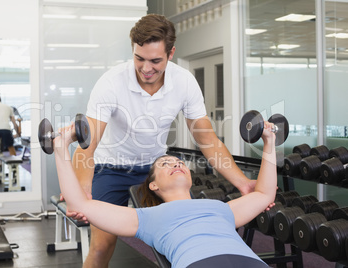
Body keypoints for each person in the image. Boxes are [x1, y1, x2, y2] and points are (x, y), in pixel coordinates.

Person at [69, 14, 259, 267]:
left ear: (171, 54)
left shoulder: (184, 82)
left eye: (155, 61)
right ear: (133, 51)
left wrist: (244, 183)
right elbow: (87, 143)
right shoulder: (111, 83)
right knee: (103, 245)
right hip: (109, 168)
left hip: (153, 171)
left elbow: (208, 140)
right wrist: (82, 190)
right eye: (140, 58)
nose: (146, 68)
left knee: (181, 237)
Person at [54, 121, 276, 268]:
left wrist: (270, 141)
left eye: (179, 162)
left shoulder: (222, 208)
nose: (176, 163)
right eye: (165, 163)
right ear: (153, 186)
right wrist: (61, 147)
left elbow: (265, 194)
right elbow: (79, 204)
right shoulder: (147, 218)